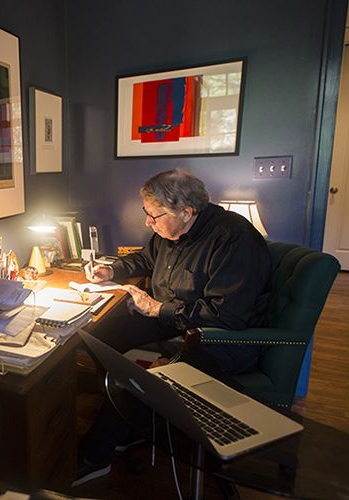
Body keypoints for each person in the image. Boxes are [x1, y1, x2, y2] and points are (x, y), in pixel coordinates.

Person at [73, 168, 271, 487]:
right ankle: (130, 422)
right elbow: (145, 260)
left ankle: (93, 456)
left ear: (186, 212)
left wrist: (159, 309)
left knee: (136, 378)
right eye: (146, 214)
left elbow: (226, 314)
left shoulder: (233, 238)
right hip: (174, 321)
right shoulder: (170, 231)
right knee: (100, 336)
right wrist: (112, 270)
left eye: (154, 216)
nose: (148, 223)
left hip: (219, 339)